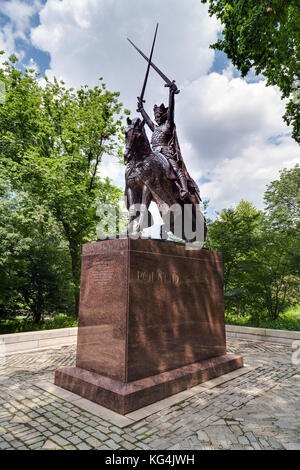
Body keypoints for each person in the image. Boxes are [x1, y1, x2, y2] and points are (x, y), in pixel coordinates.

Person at [137, 82, 190, 199]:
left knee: (175, 169)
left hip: (166, 153)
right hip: (154, 153)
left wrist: (171, 94)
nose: (156, 117)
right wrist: (141, 109)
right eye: (155, 115)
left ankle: (184, 188)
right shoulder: (155, 128)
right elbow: (148, 120)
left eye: (159, 115)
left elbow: (172, 110)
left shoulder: (168, 125)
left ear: (164, 115)